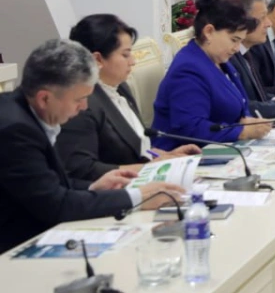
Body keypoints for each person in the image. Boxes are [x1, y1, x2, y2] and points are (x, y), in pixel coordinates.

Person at [0, 40, 186, 254]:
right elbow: (56, 205)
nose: (84, 107)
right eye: (79, 99)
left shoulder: (26, 113)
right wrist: (138, 197)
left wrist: (92, 188)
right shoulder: (15, 130)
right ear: (44, 98)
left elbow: (47, 183)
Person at [56, 15, 200, 181]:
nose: (133, 61)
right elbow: (82, 169)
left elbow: (133, 148)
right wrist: (149, 168)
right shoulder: (81, 104)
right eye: (125, 55)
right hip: (112, 191)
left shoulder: (120, 88)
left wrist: (166, 156)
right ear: (97, 59)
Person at [151, 0, 272, 150]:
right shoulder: (188, 69)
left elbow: (240, 107)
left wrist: (247, 122)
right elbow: (191, 128)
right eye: (234, 40)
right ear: (209, 31)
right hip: (185, 155)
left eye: (240, 41)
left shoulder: (219, 61)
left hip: (220, 148)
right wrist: (242, 131)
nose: (237, 49)